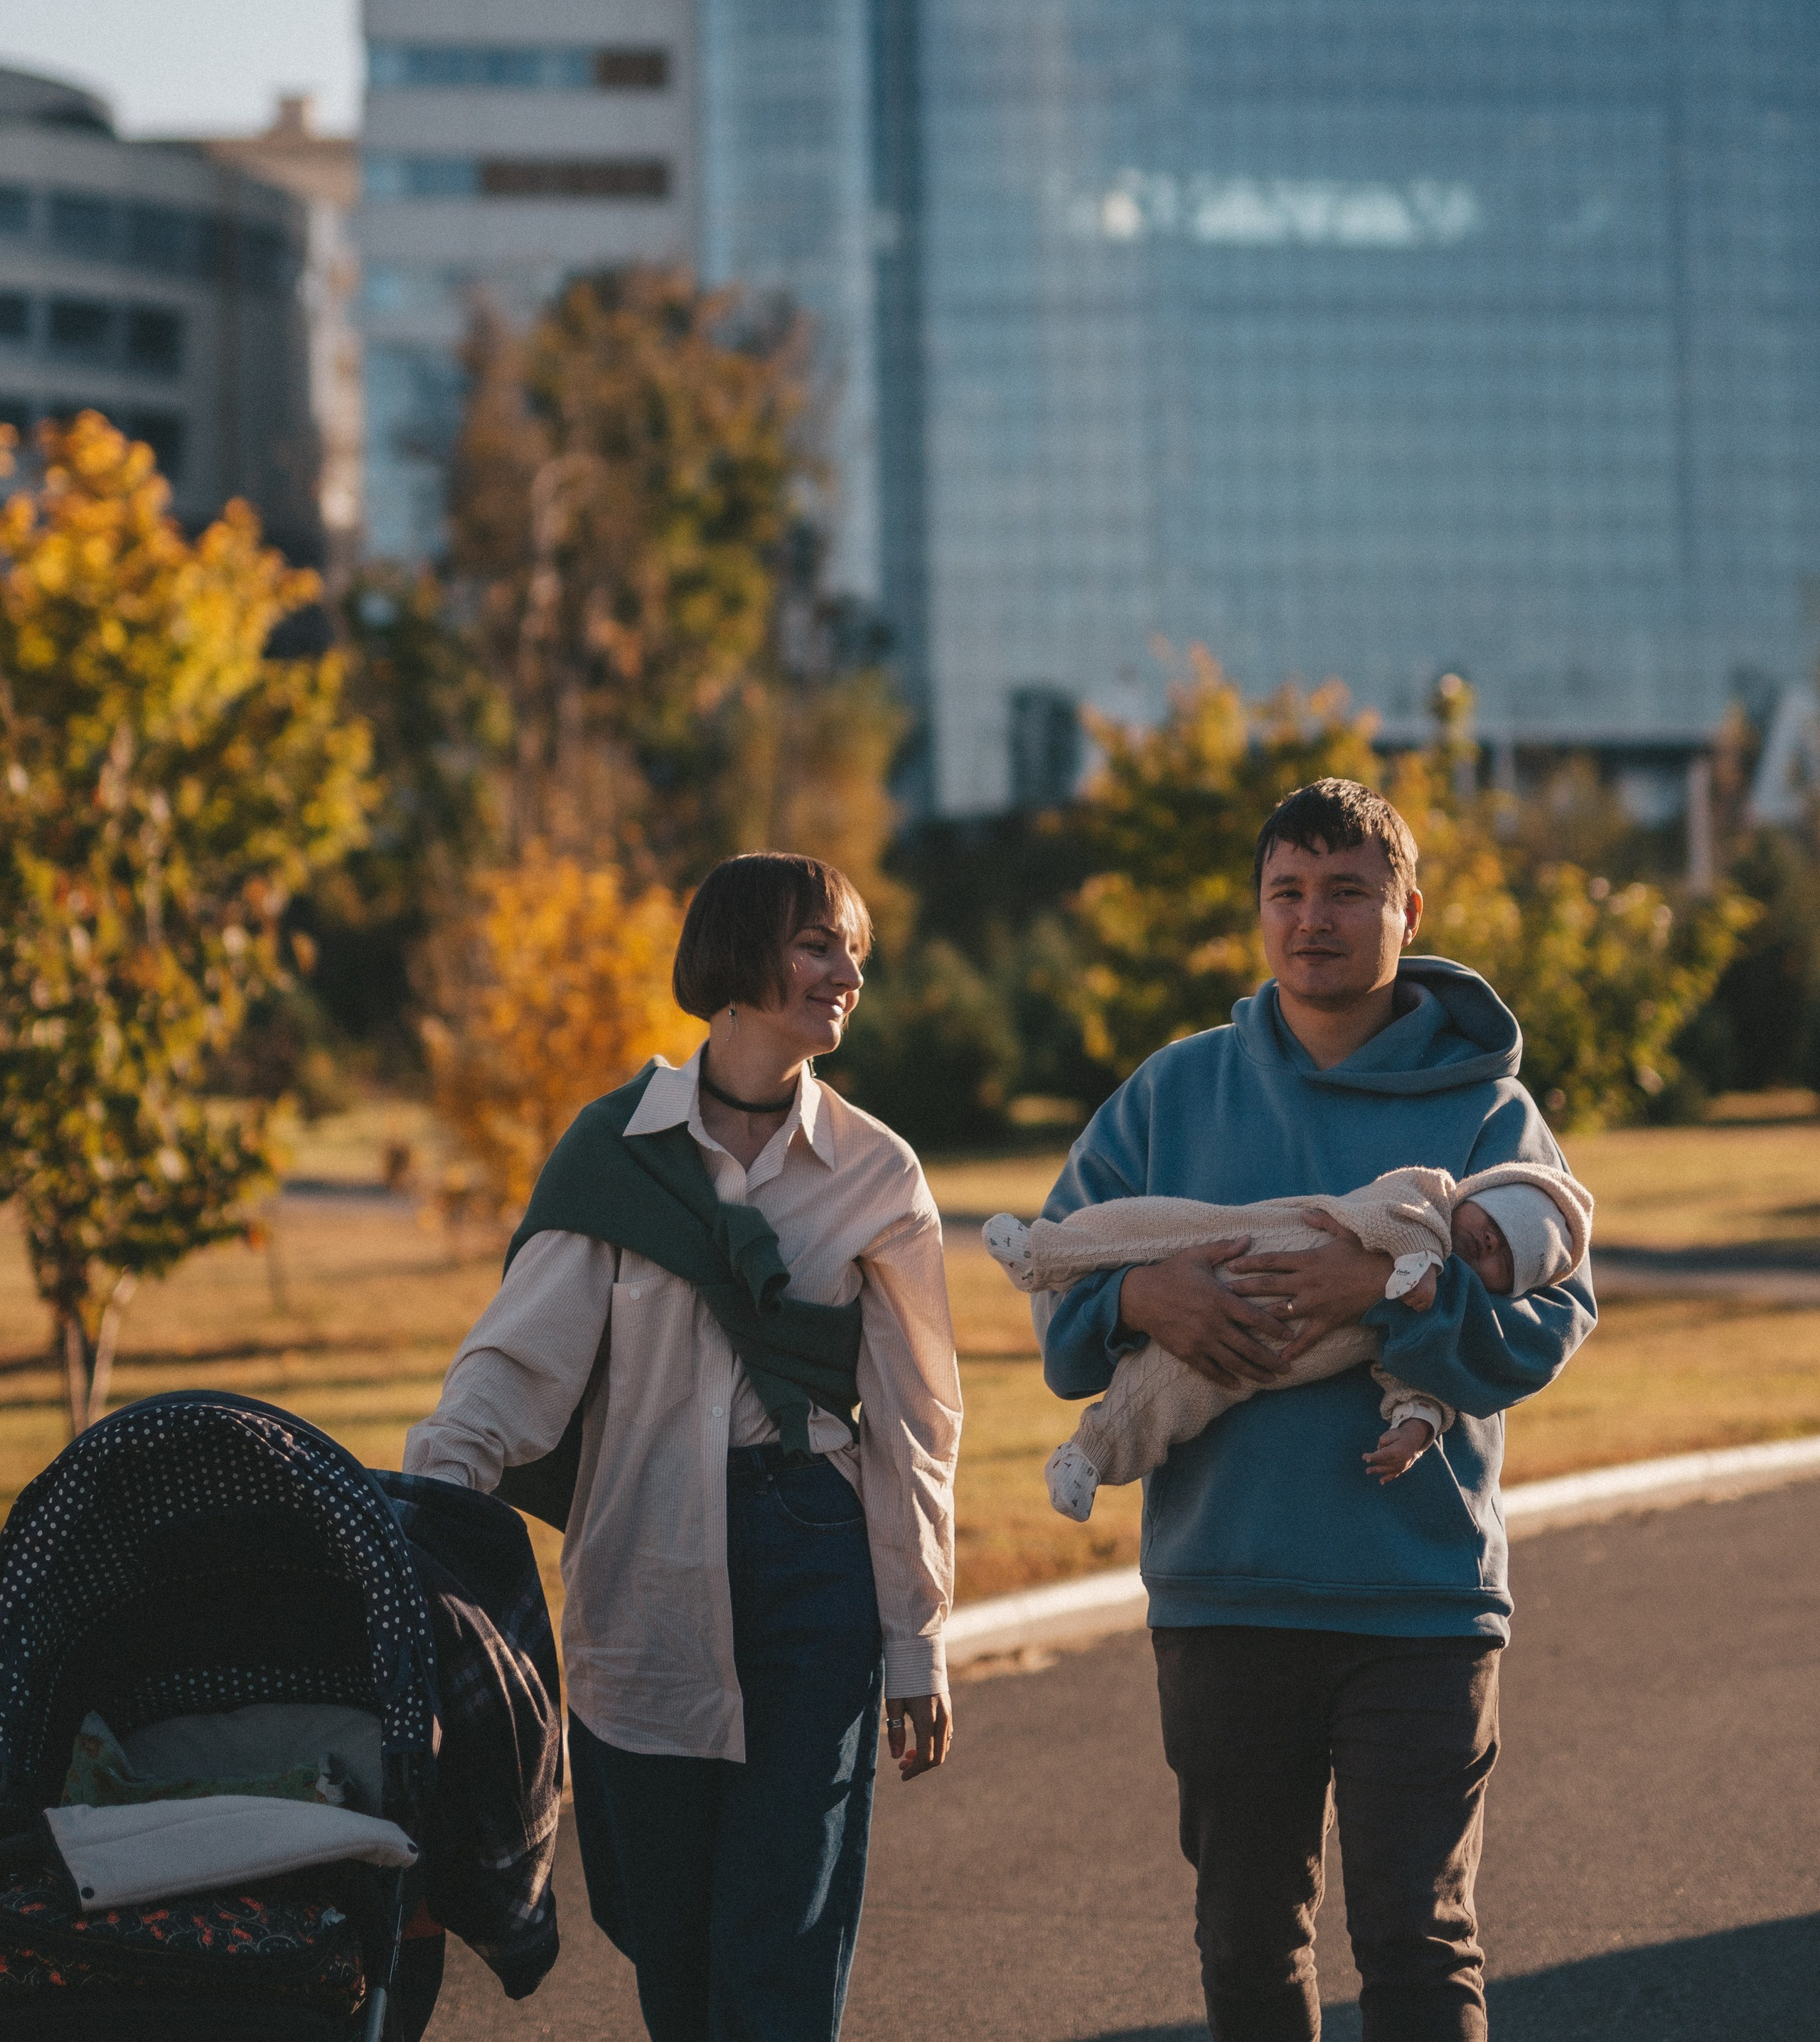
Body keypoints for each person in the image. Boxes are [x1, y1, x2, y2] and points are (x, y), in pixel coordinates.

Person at [1038, 777, 1596, 2042]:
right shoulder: (1173, 1094)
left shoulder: (1490, 1109)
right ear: (1258, 912)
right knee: (1246, 1946)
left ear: (1409, 908)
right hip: (1227, 1593)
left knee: (1417, 1944)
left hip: (1423, 1600)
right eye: (1287, 892)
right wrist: (1143, 1301)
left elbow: (1550, 1324)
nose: (1313, 920)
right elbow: (1063, 1307)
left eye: (1347, 891)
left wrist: (1387, 1293)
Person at [402, 851, 963, 2042]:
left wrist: (917, 1638)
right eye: (821, 943)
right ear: (738, 955)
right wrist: (427, 1507)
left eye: (856, 949)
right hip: (641, 1559)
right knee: (671, 1937)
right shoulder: (614, 1155)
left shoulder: (878, 1174)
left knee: (782, 1944)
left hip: (817, 1559)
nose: (849, 972)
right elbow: (515, 1369)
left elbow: (918, 1419)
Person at [985, 1153, 1591, 1515]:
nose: (1489, 1243)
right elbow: (1062, 1349)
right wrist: (1135, 1297)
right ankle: (1042, 1250)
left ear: (1409, 926)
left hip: (1424, 1603)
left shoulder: (1503, 1111)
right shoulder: (1426, 1195)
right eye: (1494, 1224)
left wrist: (1415, 1425)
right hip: (1208, 1588)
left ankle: (1089, 1456)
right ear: (1475, 1192)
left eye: (1503, 1261)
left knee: (1168, 1395)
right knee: (1139, 1226)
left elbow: (1527, 1345)